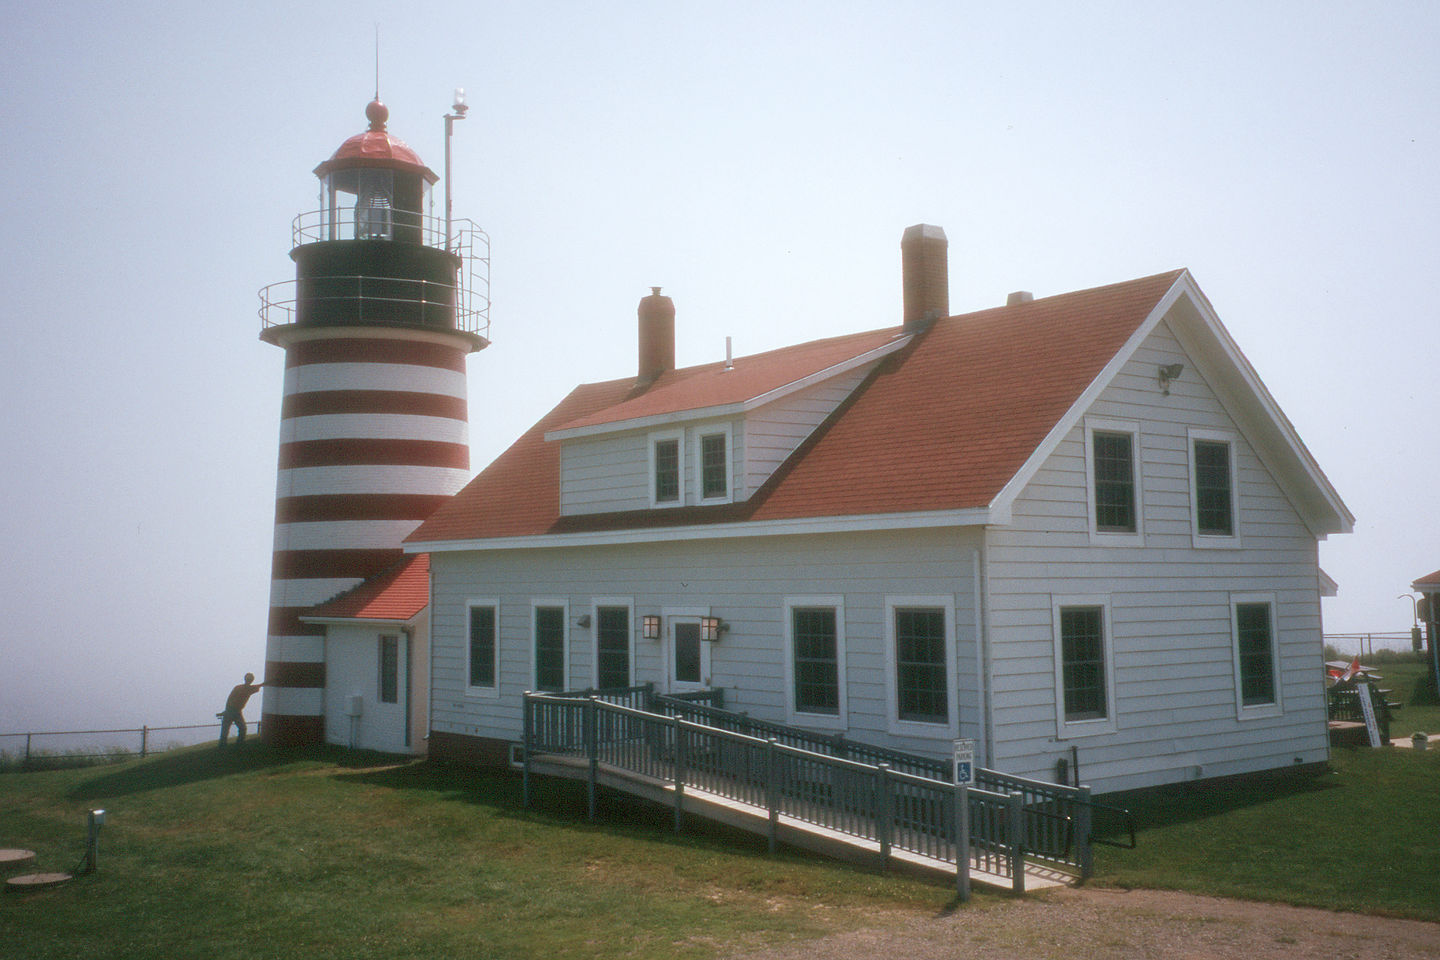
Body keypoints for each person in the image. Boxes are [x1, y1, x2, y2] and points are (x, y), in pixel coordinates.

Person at [218, 673, 264, 747]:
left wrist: (226, 711)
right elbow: (258, 686)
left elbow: (229, 699)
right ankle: (239, 744)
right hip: (235, 711)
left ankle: (224, 746)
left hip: (232, 711)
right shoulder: (249, 689)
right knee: (241, 729)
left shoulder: (238, 687)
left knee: (226, 730)